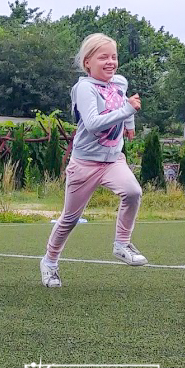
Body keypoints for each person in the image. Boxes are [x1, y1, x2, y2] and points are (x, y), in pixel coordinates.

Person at [40, 33, 145, 288]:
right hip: (85, 163)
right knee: (69, 219)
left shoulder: (120, 82)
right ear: (87, 62)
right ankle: (49, 263)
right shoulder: (84, 88)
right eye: (103, 57)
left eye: (114, 57)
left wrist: (129, 123)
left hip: (113, 159)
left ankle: (122, 244)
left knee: (132, 192)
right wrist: (127, 110)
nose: (111, 62)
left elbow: (127, 101)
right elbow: (93, 123)